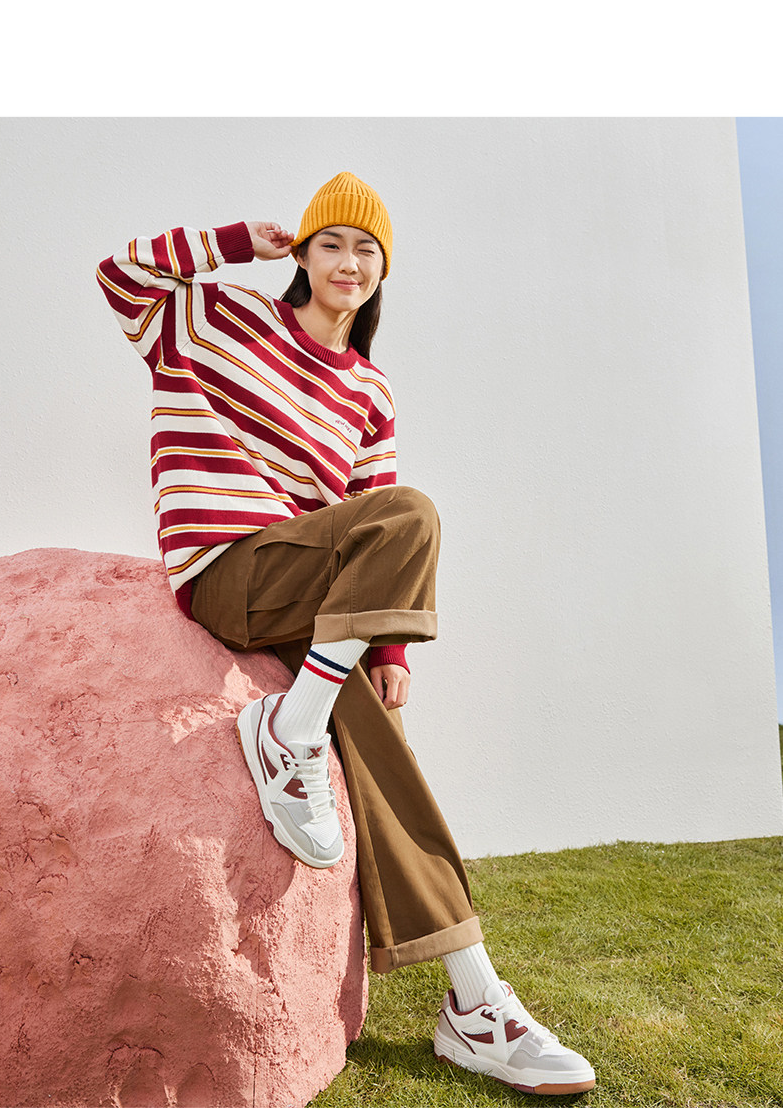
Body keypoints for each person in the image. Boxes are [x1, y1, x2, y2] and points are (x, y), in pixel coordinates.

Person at [96, 171, 596, 1097]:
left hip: (315, 604)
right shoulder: (218, 319)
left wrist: (390, 651)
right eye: (331, 242)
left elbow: (365, 501)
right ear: (303, 254)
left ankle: (475, 996)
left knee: (378, 734)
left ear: (381, 272)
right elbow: (120, 276)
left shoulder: (369, 388)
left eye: (367, 249)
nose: (349, 261)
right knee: (414, 515)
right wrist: (235, 241)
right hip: (232, 571)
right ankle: (290, 728)